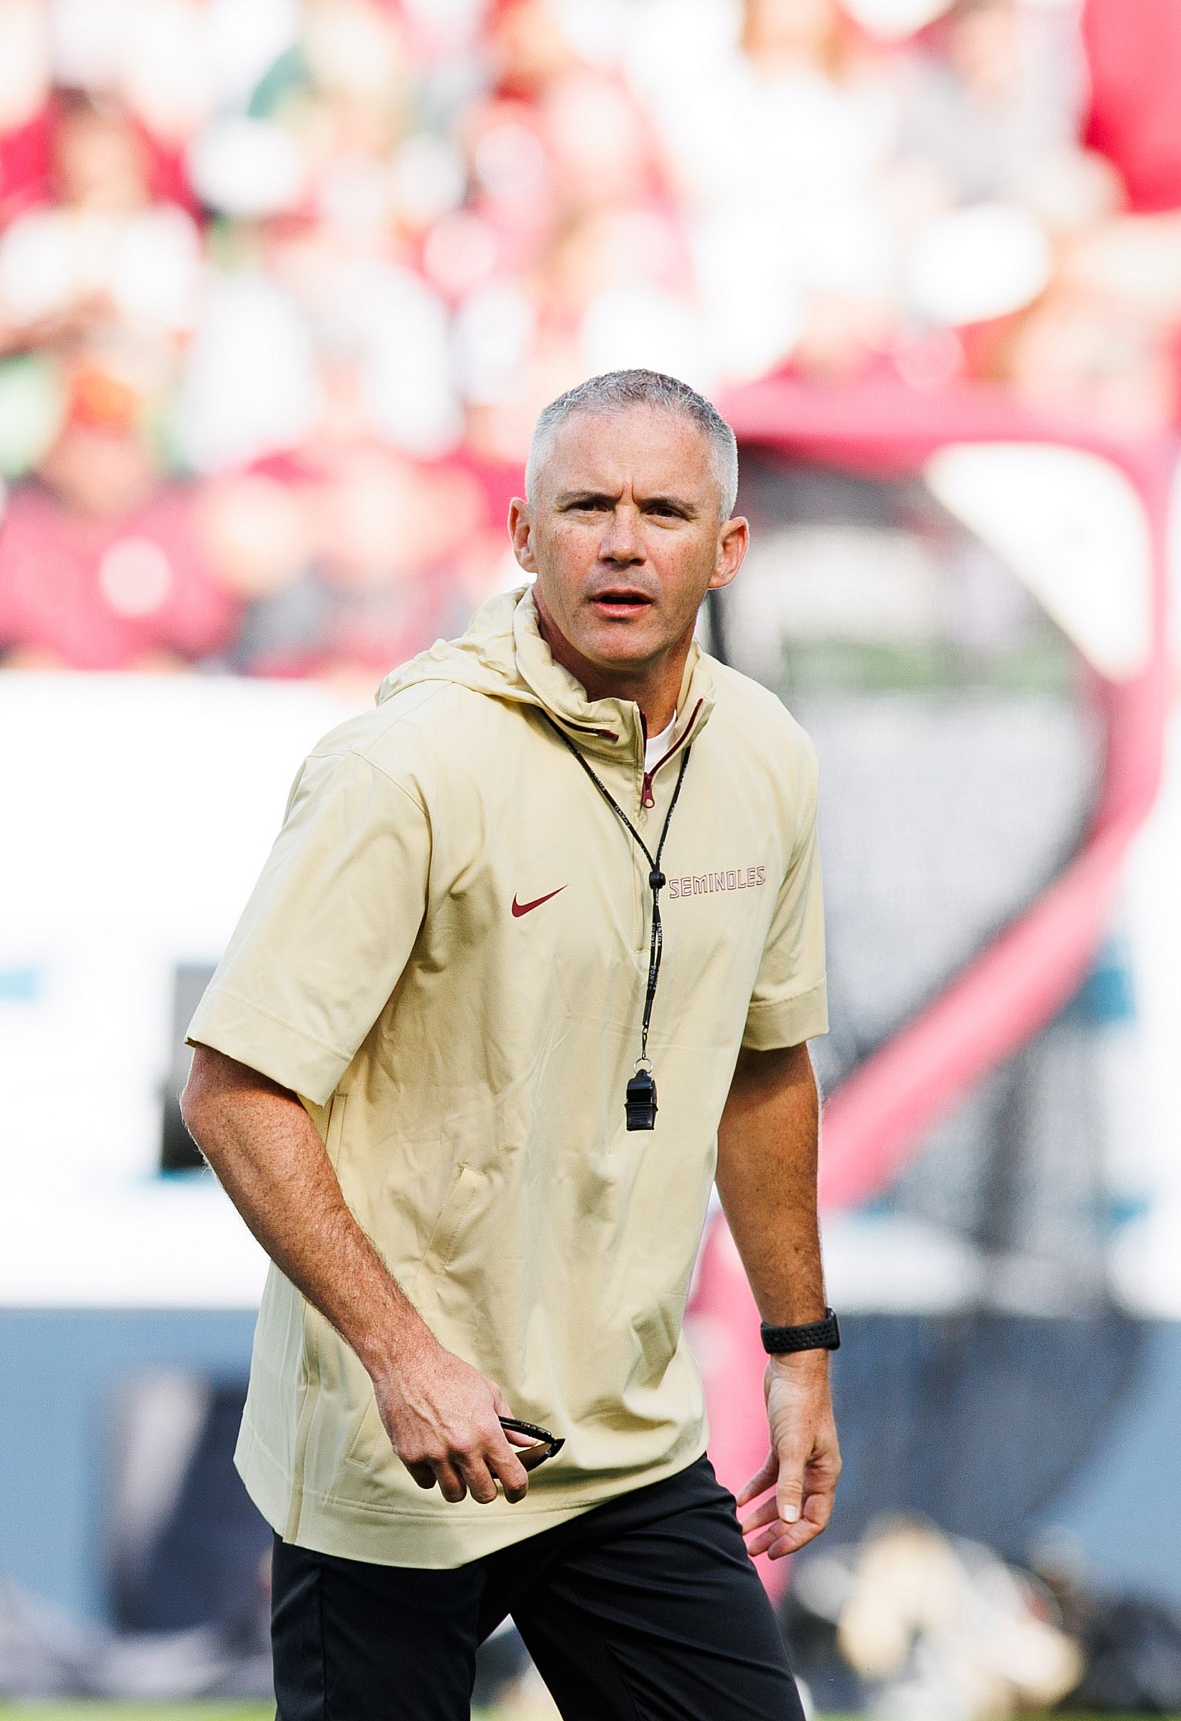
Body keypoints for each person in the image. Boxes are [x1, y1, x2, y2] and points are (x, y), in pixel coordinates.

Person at [179, 367, 839, 1720]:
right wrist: (406, 1359)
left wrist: (800, 1346)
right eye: (585, 504)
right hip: (396, 1454)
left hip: (624, 1440)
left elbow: (764, 1066)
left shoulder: (766, 753)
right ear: (523, 532)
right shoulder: (403, 765)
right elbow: (237, 1090)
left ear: (728, 547)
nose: (621, 540)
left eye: (664, 509)